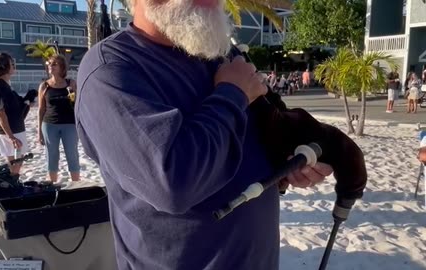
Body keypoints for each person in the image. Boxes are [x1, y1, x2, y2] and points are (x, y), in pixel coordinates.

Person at [75, 0, 334, 269]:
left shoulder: (221, 52)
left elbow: (258, 134)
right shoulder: (110, 68)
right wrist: (232, 93)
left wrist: (287, 166)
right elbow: (173, 183)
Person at [37, 54, 80, 182]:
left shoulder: (71, 83)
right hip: (49, 124)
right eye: (49, 63)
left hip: (70, 124)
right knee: (52, 156)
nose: (50, 66)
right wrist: (39, 132)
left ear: (62, 67)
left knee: (72, 155)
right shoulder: (44, 86)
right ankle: (52, 184)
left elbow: (77, 105)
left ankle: (76, 184)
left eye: (54, 64)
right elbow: (41, 109)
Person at [0, 52, 28, 176]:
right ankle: (12, 183)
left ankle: (13, 182)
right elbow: (0, 113)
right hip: (10, 131)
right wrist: (11, 137)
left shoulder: (5, 84)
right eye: (11, 64)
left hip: (15, 128)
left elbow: (11, 106)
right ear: (4, 66)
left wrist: (26, 101)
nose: (14, 66)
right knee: (16, 162)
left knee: (17, 162)